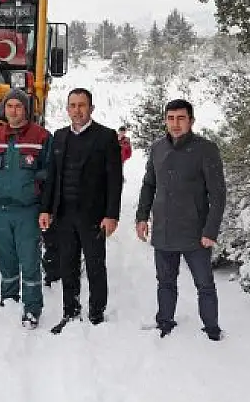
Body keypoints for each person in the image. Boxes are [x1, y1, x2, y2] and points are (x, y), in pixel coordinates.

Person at [135, 99, 226, 341]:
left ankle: (212, 329)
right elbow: (149, 184)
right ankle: (165, 321)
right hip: (164, 228)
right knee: (165, 282)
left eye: (181, 118)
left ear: (191, 121)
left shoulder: (206, 149)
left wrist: (210, 230)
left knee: (204, 284)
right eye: (171, 118)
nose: (175, 124)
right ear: (165, 120)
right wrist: (142, 216)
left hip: (196, 232)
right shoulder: (157, 148)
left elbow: (217, 194)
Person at [39, 88, 123, 332]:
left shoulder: (106, 137)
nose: (77, 110)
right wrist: (46, 209)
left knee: (96, 266)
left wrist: (111, 215)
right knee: (68, 265)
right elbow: (52, 177)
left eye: (82, 105)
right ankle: (70, 311)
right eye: (73, 105)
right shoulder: (60, 136)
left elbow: (115, 180)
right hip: (64, 215)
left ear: (91, 109)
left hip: (93, 216)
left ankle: (96, 313)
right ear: (67, 109)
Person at [0, 89, 52, 329]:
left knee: (29, 260)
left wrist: (42, 203)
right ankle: (9, 299)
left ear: (26, 110)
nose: (14, 111)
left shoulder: (41, 137)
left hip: (27, 210)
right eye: (10, 106)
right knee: (5, 257)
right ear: (4, 109)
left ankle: (32, 308)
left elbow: (49, 174)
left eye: (19, 106)